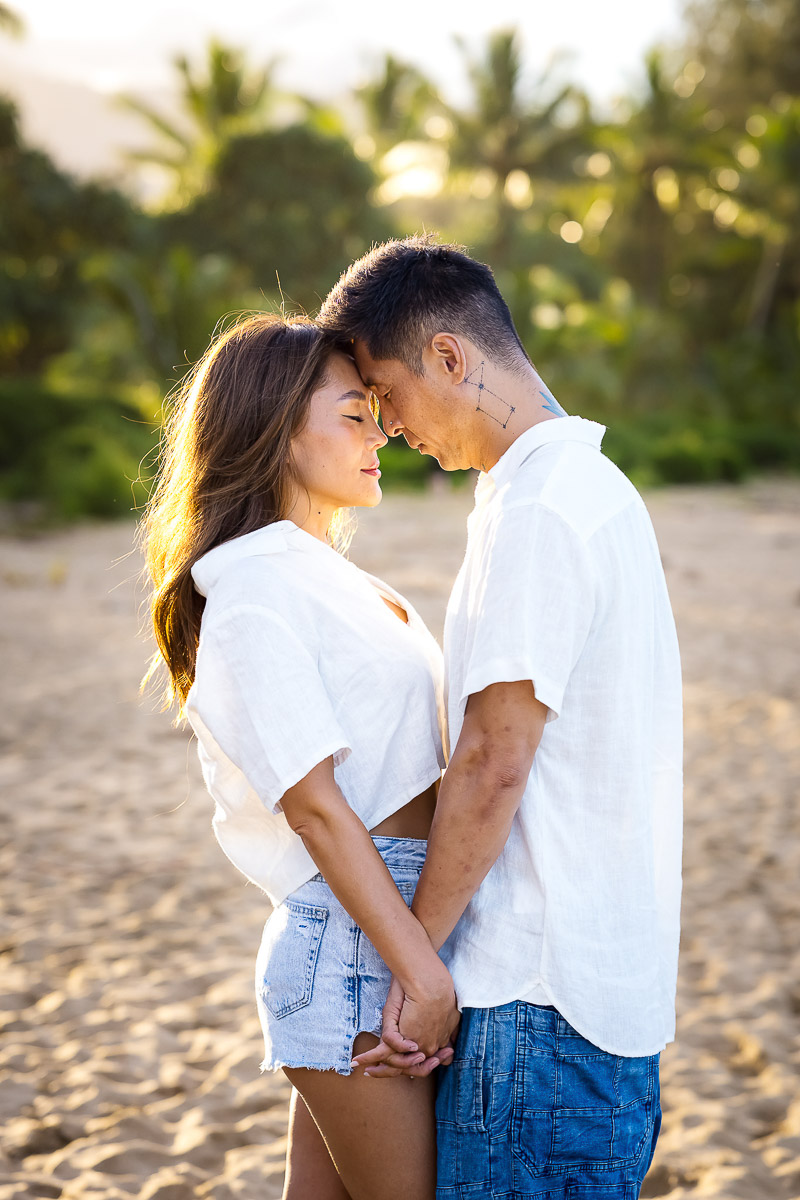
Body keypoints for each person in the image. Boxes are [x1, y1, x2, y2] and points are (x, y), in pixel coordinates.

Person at [318, 235, 684, 1199]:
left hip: (537, 1000)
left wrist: (419, 961)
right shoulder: (587, 491)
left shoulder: (541, 508)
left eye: (387, 398)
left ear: (449, 356)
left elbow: (492, 761)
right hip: (592, 997)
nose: (389, 431)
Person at [140, 312, 460, 1200]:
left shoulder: (321, 573)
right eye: (354, 415)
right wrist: (419, 967)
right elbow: (316, 806)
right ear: (277, 432)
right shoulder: (252, 587)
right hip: (360, 946)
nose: (380, 433)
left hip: (376, 934)